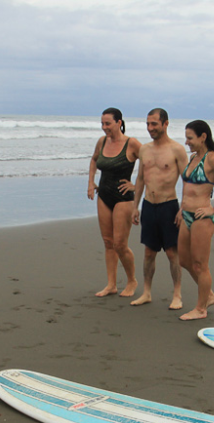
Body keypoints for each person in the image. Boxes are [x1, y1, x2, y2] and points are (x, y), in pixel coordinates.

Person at [178, 120, 214, 321]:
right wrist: (181, 208)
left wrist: (213, 209)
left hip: (201, 218)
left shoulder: (213, 159)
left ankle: (201, 308)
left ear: (203, 137)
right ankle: (209, 295)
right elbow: (187, 188)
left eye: (190, 138)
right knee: (184, 260)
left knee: (200, 265)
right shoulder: (193, 158)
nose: (187, 142)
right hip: (186, 215)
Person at [130, 108, 188, 310]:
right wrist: (135, 206)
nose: (150, 128)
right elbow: (140, 179)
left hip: (169, 206)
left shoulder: (177, 150)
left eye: (154, 124)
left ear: (166, 124)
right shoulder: (144, 149)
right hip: (148, 205)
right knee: (148, 252)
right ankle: (146, 292)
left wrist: (183, 208)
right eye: (147, 124)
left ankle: (177, 294)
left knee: (172, 252)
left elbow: (187, 181)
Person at [87, 107, 141, 297]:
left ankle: (132, 280)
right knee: (108, 242)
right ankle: (111, 285)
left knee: (119, 244)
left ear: (119, 123)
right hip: (104, 195)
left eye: (108, 123)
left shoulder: (132, 143)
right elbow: (94, 160)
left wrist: (136, 186)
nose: (104, 127)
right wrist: (90, 182)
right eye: (102, 123)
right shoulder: (102, 141)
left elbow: (149, 163)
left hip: (123, 198)